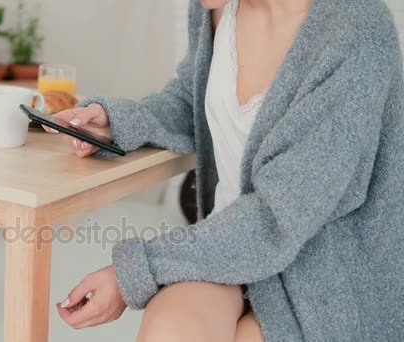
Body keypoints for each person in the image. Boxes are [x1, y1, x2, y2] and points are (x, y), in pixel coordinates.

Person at [45, 0, 404, 340]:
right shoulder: (215, 9)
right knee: (171, 330)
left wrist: (132, 273)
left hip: (323, 283)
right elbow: (193, 97)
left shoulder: (355, 32)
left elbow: (279, 217)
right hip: (224, 247)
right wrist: (119, 123)